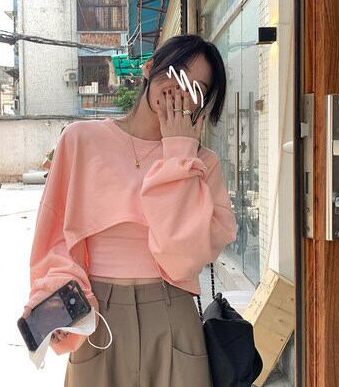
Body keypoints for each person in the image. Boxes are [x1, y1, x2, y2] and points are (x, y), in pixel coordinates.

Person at [21, 34, 237, 386]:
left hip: (173, 310)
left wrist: (179, 153)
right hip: (98, 311)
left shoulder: (201, 163)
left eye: (197, 88)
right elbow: (52, 239)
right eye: (177, 73)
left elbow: (183, 259)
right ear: (149, 68)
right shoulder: (80, 139)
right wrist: (56, 296)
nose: (181, 92)